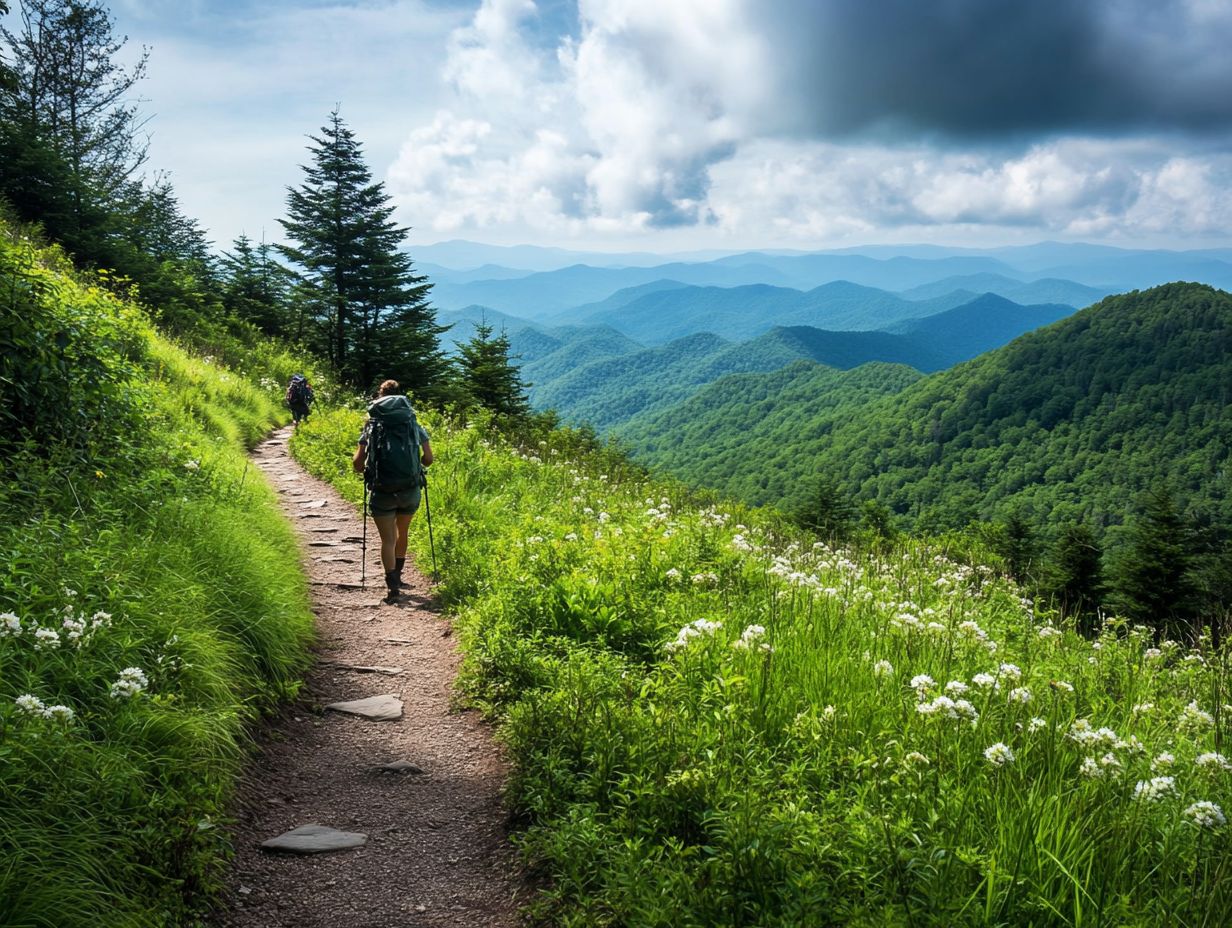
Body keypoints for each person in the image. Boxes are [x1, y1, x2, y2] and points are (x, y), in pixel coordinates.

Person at [352, 379, 433, 601]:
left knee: (387, 539)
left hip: (382, 490)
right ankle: (398, 573)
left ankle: (392, 586)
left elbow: (358, 465)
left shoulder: (372, 425)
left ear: (380, 397)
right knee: (403, 532)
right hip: (409, 489)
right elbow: (428, 459)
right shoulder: (412, 423)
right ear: (400, 397)